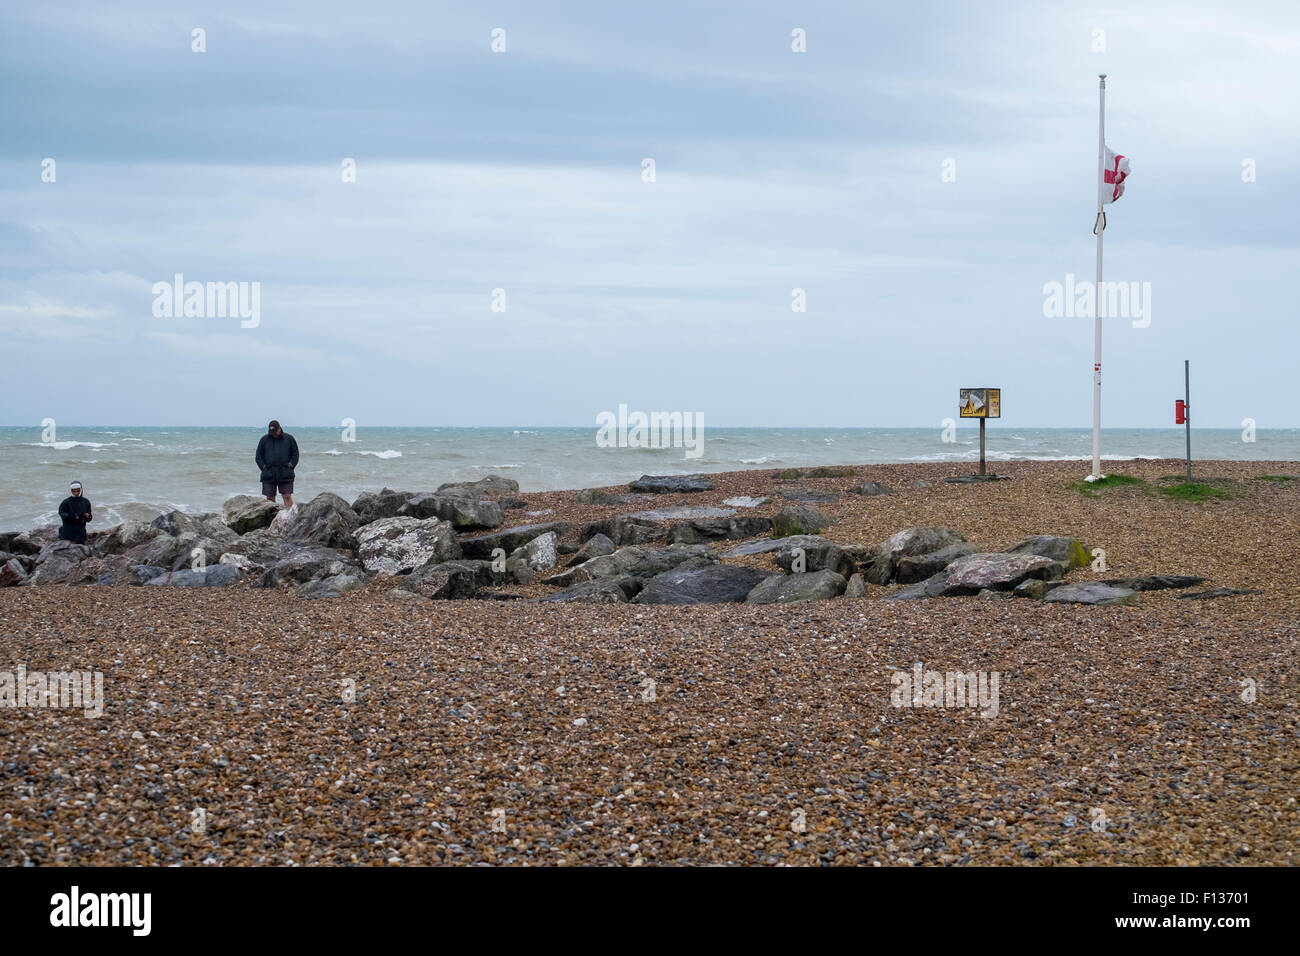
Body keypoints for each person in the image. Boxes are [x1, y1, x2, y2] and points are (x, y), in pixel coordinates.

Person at [255, 420, 299, 508]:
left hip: (286, 473)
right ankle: (272, 519)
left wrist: (291, 465)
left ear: (279, 428)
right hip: (269, 474)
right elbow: (258, 457)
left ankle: (291, 518)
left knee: (287, 496)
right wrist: (264, 468)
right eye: (271, 432)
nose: (273, 434)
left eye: (275, 431)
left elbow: (295, 454)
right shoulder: (264, 440)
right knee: (270, 499)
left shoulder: (289, 438)